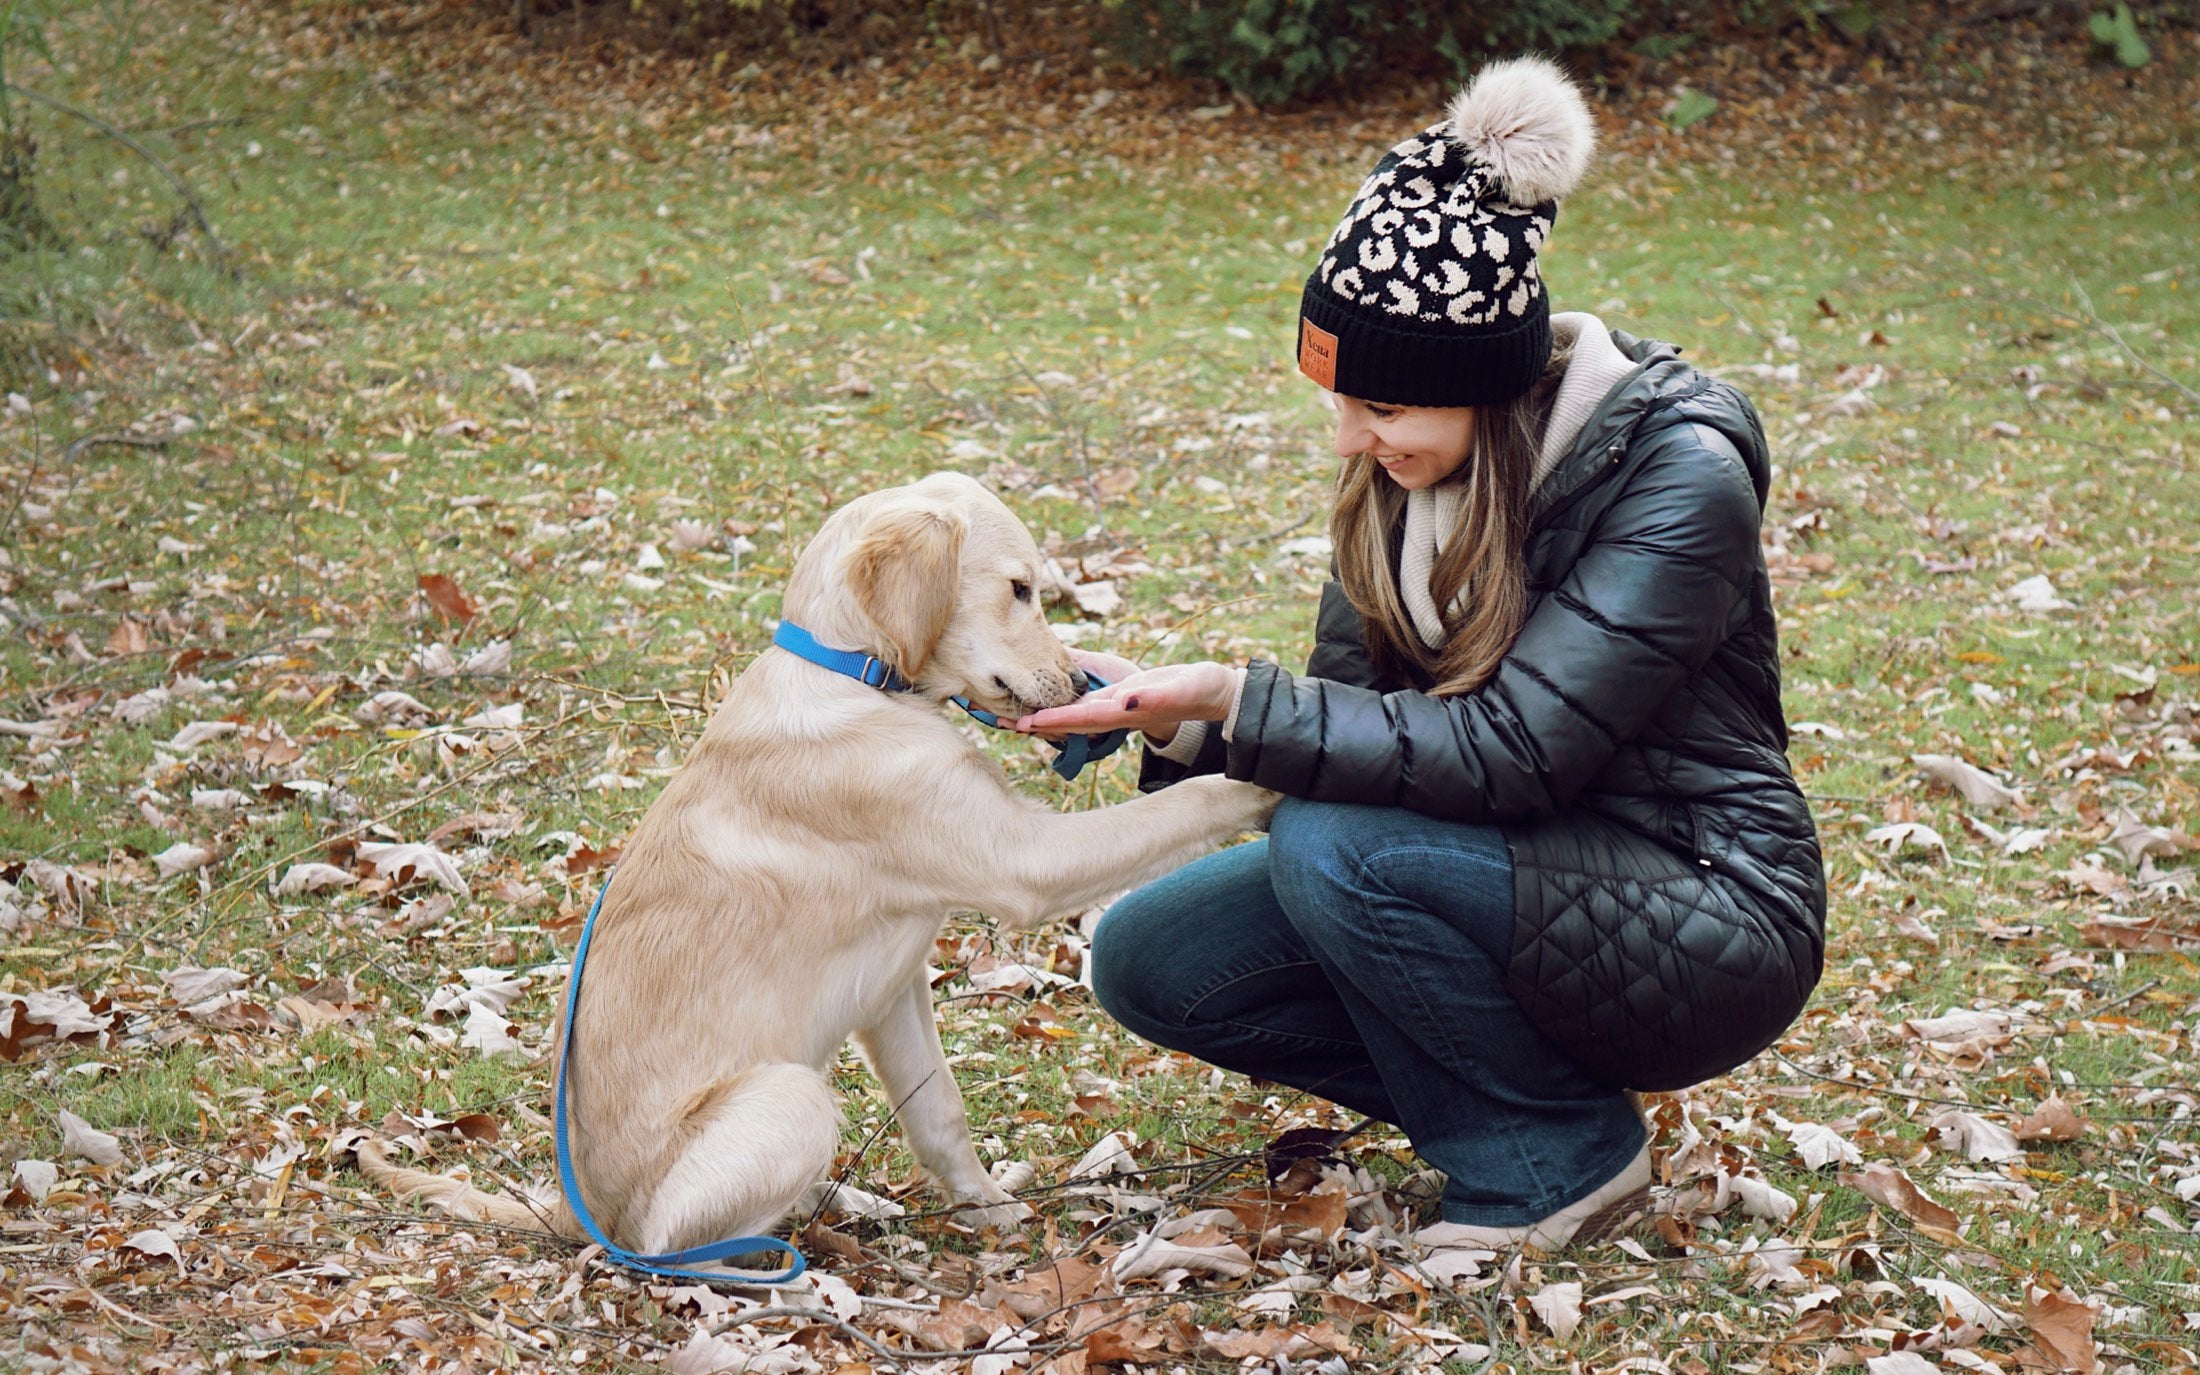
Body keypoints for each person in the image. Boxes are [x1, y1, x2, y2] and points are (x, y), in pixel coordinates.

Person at [1015, 56, 1827, 1253]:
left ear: (1477, 382)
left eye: (1382, 407)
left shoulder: (1677, 475)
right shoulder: (1409, 478)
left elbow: (1517, 754)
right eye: (1339, 400)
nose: (1349, 437)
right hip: (1513, 877)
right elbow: (1356, 728)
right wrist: (1169, 718)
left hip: (1704, 904)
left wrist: (1243, 702)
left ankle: (1549, 1163)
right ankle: (1533, 1114)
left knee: (1337, 846)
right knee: (1155, 958)